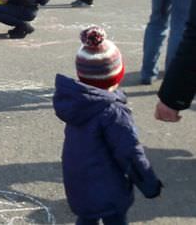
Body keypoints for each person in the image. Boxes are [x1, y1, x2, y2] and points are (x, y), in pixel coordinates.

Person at [54, 26, 162, 224]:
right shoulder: (113, 112)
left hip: (77, 182)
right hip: (109, 187)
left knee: (86, 218)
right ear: (117, 75)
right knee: (115, 219)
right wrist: (149, 183)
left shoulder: (77, 103)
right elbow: (130, 152)